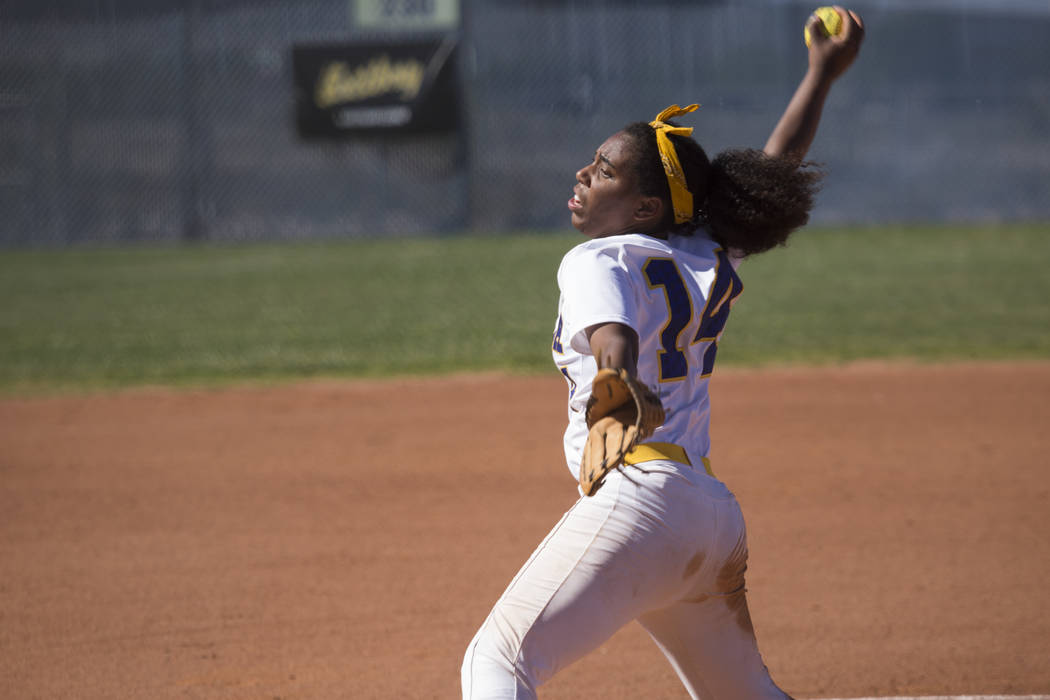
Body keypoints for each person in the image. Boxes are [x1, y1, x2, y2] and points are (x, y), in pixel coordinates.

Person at [462, 8, 864, 699]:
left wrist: (616, 384)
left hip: (641, 503)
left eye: (607, 169)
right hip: (709, 516)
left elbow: (610, 334)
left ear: (646, 207)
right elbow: (775, 170)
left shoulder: (597, 257)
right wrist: (821, 75)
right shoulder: (703, 255)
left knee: (497, 663)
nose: (585, 173)